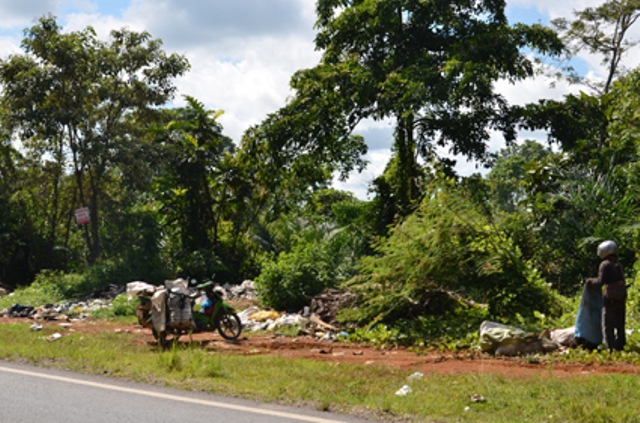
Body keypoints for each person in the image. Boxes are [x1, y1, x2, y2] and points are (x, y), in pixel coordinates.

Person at [585, 240, 627, 352]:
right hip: (621, 299)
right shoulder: (618, 265)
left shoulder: (604, 264)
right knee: (620, 324)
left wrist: (589, 282)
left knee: (607, 325)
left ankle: (610, 348)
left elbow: (600, 282)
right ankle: (621, 346)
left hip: (610, 300)